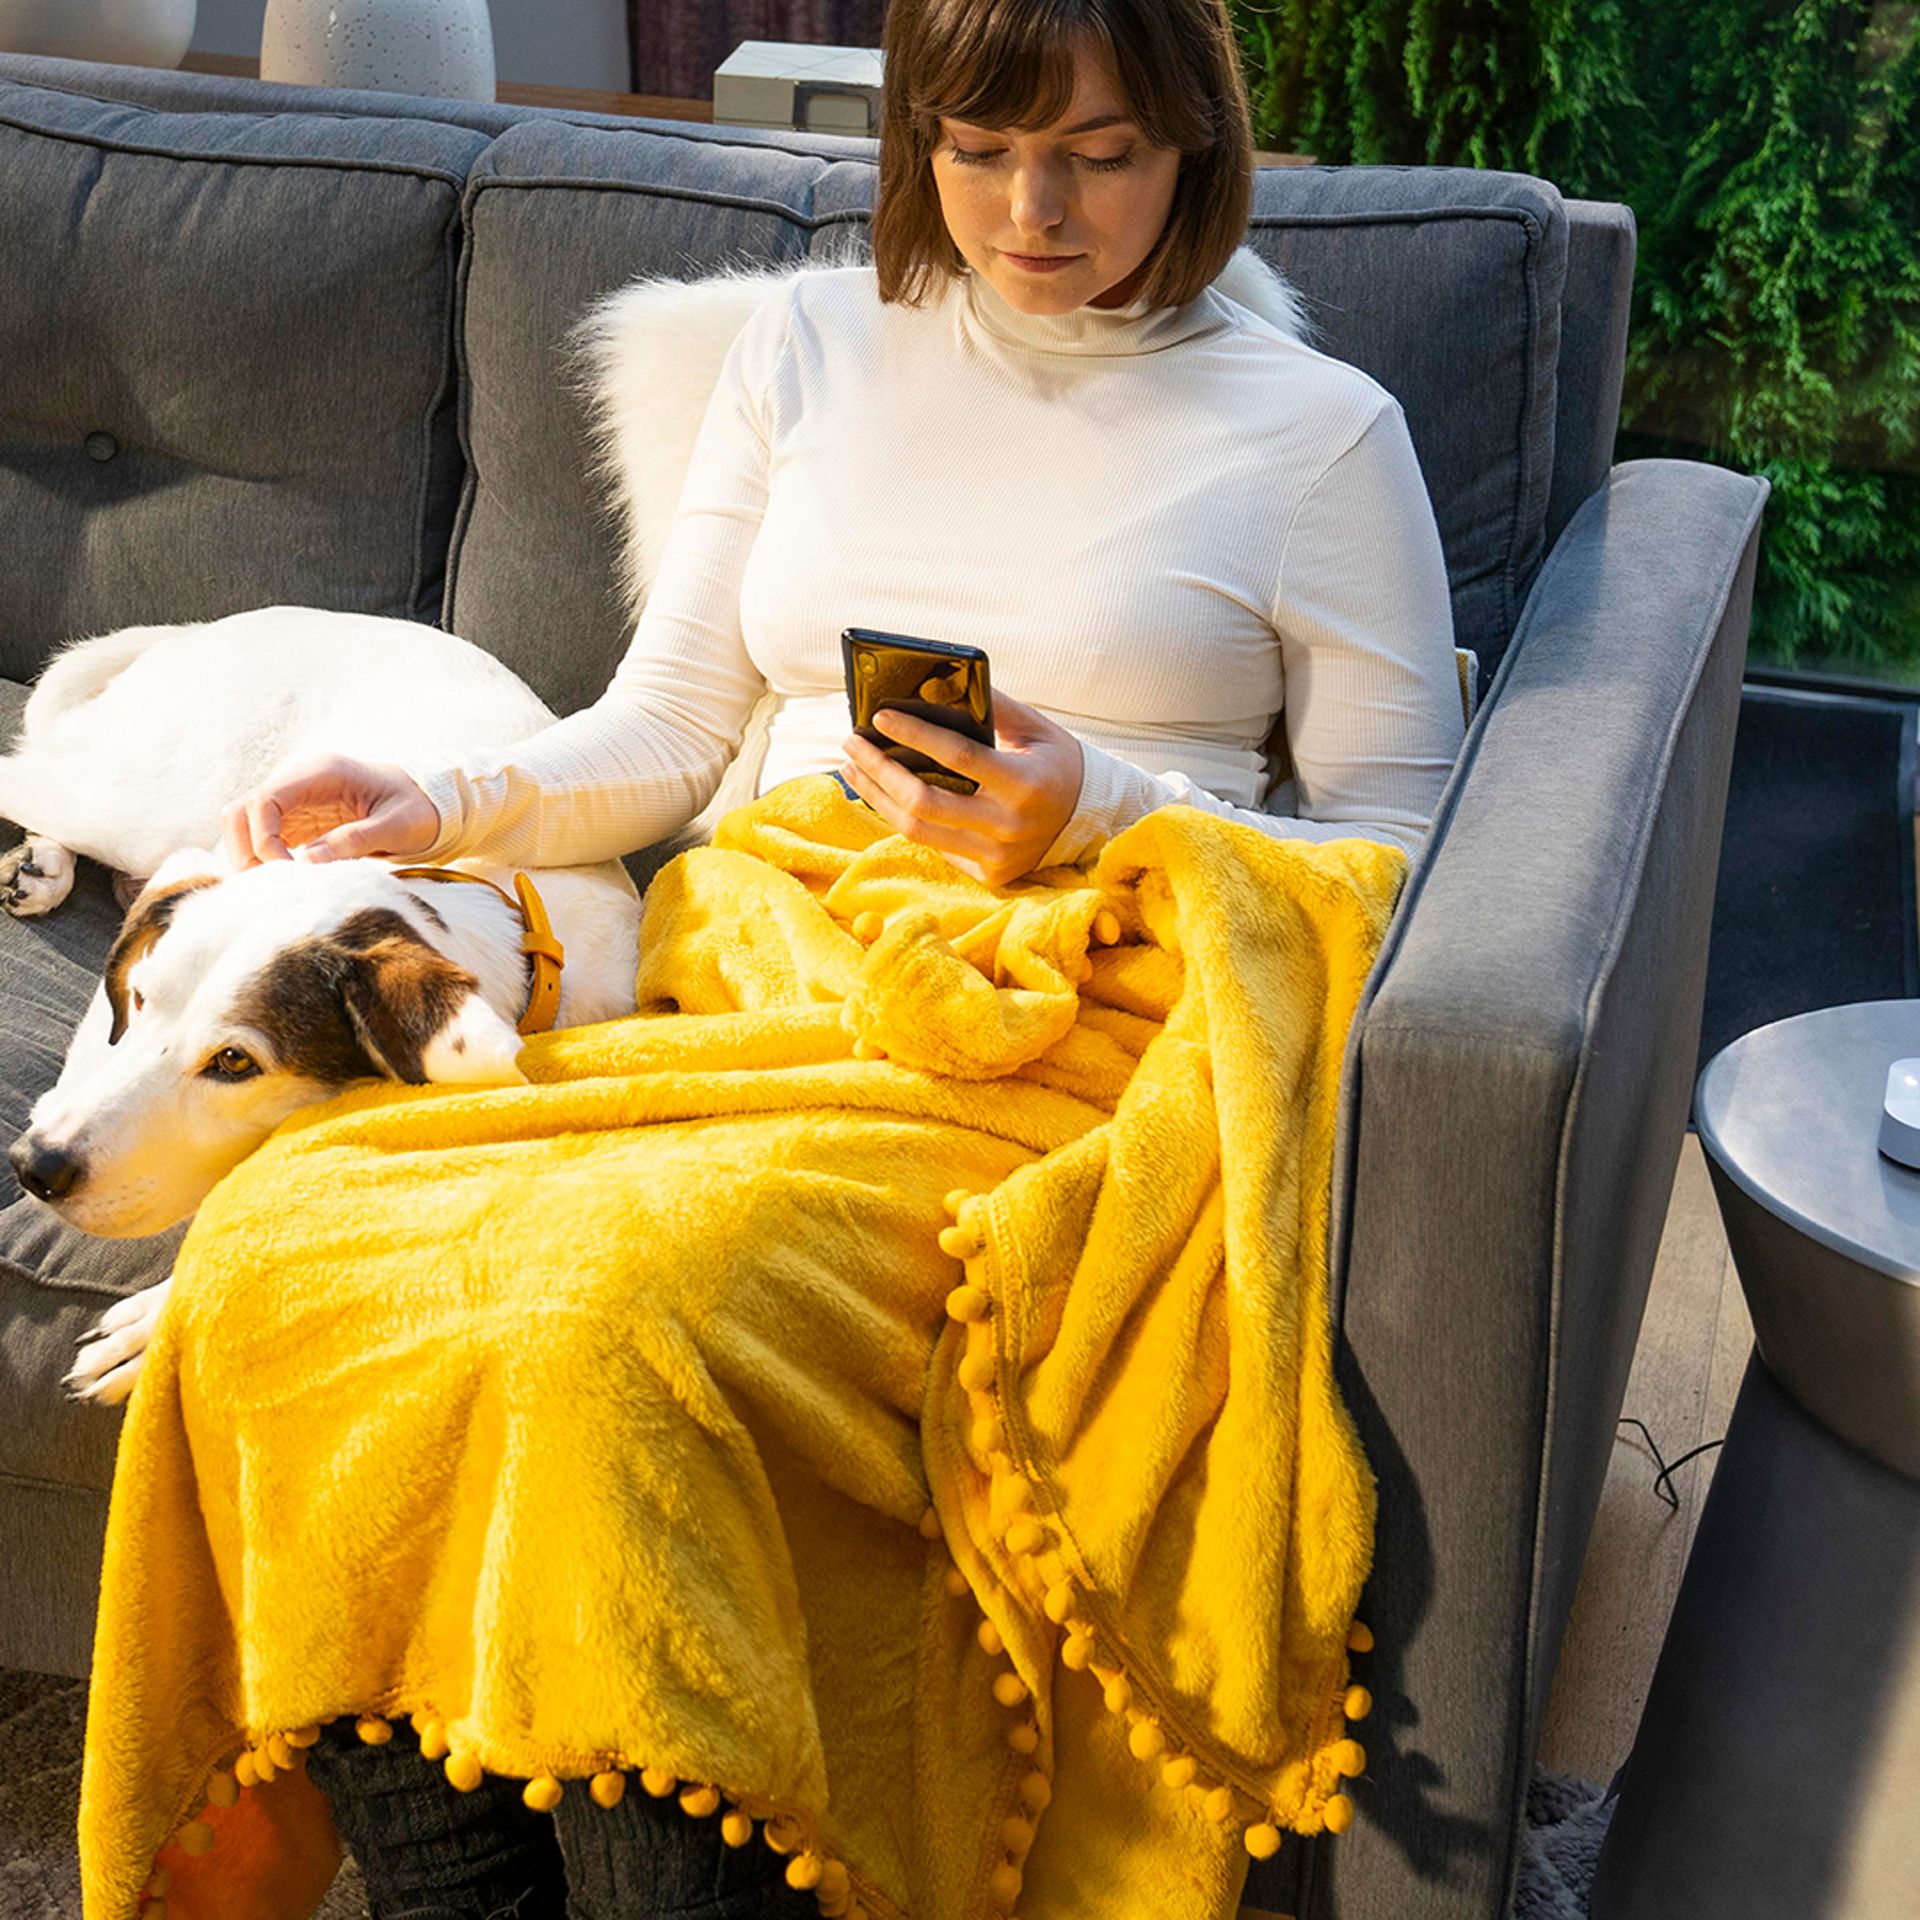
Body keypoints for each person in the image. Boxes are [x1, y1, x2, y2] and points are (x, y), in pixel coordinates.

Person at [224, 2, 1465, 1913]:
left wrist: (1101, 807)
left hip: (1054, 1019)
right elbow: (665, 728)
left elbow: (1409, 853)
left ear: (1197, 149)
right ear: (915, 141)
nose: (1032, 210)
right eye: (978, 151)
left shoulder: (1318, 434)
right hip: (766, 963)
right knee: (288, 1251)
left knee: (600, 1320)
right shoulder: (808, 345)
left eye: (1100, 155)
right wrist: (435, 802)